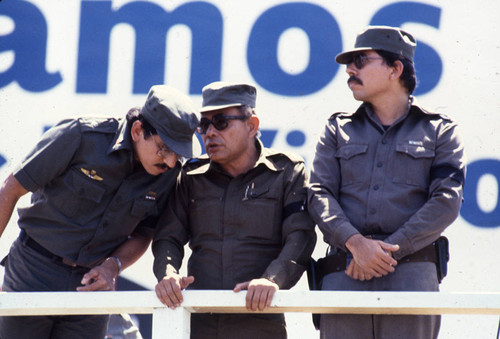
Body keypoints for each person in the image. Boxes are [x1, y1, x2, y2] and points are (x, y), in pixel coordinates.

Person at [0, 85, 201, 339]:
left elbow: (144, 233)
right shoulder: (81, 136)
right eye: (164, 148)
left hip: (92, 286)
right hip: (34, 271)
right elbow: (10, 189)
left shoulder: (168, 174)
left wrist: (113, 266)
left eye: (178, 154)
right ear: (138, 130)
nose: (171, 162)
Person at [307, 26, 466, 339]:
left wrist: (387, 252)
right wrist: (356, 244)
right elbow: (319, 194)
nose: (350, 70)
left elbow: (447, 200)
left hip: (410, 274)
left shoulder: (439, 131)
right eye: (349, 64)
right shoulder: (337, 128)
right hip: (344, 272)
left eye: (361, 60)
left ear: (396, 68)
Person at [152, 81, 316, 338]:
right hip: (198, 323)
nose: (209, 133)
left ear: (252, 126)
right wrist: (167, 274)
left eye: (220, 122)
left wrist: (272, 280)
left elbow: (301, 236)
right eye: (204, 125)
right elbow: (168, 237)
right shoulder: (191, 177)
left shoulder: (287, 172)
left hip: (260, 322)